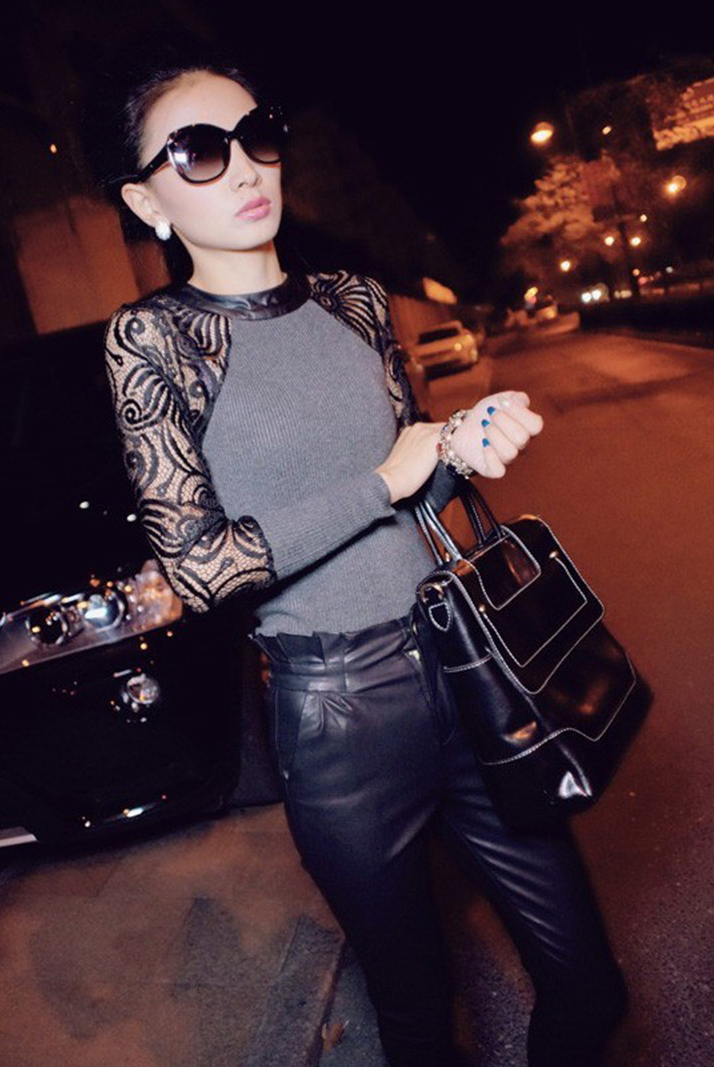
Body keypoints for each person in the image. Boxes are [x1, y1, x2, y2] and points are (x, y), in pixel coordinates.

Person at [100, 50, 628, 1067]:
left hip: (464, 672)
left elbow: (414, 493)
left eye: (257, 136)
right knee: (418, 1014)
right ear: (146, 199)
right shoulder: (151, 339)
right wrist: (386, 479)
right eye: (199, 152)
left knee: (589, 986)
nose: (245, 167)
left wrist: (459, 446)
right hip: (338, 721)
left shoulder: (354, 300)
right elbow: (198, 568)